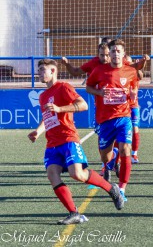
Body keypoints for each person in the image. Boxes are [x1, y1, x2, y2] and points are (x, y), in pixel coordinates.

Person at [27, 59, 124, 225]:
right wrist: (38, 131)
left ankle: (111, 188)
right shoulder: (43, 96)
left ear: (53, 72)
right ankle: (74, 213)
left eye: (43, 69)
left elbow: (83, 105)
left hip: (68, 138)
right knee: (52, 174)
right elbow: (47, 117)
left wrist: (60, 108)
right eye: (39, 70)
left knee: (77, 174)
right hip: (52, 143)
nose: (39, 73)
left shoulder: (63, 87)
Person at [85, 39, 140, 202]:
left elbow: (134, 88)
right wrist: (100, 93)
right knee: (105, 157)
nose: (115, 54)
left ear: (123, 54)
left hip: (124, 117)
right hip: (105, 120)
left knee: (126, 151)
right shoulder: (99, 71)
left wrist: (132, 95)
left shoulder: (130, 71)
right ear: (109, 53)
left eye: (118, 51)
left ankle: (122, 188)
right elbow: (88, 87)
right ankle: (111, 158)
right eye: (113, 51)